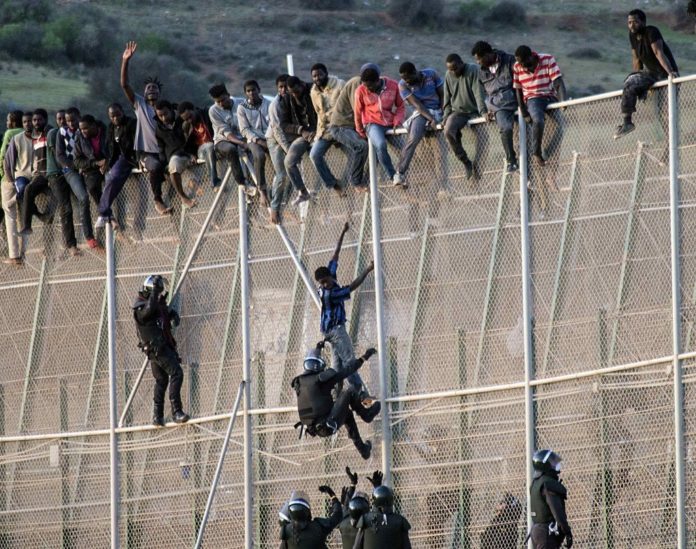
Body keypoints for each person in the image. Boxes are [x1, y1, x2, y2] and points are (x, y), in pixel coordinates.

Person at [315, 222, 374, 398]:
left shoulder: (331, 276)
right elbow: (352, 286)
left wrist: (343, 231)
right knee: (350, 361)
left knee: (337, 367)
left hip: (329, 332)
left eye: (326, 280)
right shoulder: (329, 293)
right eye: (323, 283)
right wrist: (368, 270)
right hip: (336, 331)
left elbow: (336, 255)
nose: (325, 284)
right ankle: (361, 394)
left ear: (329, 276)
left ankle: (334, 395)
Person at [291, 342, 379, 459]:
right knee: (350, 391)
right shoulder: (322, 380)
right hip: (327, 424)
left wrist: (317, 349)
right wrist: (364, 357)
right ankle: (367, 415)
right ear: (320, 365)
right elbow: (347, 370)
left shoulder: (299, 383)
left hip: (317, 428)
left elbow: (313, 362)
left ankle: (364, 450)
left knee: (347, 414)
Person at [120, 41, 172, 215]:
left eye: (155, 88)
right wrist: (125, 61)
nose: (151, 90)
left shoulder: (166, 109)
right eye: (148, 88)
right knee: (156, 167)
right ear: (144, 93)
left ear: (159, 92)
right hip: (146, 152)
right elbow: (124, 85)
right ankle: (157, 200)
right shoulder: (140, 105)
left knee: (177, 167)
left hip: (164, 151)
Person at [132, 274, 190, 426]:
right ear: (151, 292)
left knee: (162, 379)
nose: (159, 295)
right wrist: (154, 292)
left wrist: (172, 315)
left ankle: (157, 417)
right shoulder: (140, 308)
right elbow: (149, 310)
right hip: (157, 350)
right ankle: (176, 411)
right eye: (157, 292)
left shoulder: (154, 305)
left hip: (158, 349)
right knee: (177, 373)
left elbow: (160, 313)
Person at [614, 9, 678, 139]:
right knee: (630, 82)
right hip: (650, 73)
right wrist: (638, 81)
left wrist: (670, 73)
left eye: (635, 22)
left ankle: (673, 140)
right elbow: (636, 59)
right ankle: (627, 123)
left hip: (664, 73)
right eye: (629, 22)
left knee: (667, 112)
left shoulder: (651, 31)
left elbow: (658, 52)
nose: (632, 25)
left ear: (643, 22)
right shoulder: (632, 35)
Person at [513, 45, 567, 166]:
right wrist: (524, 112)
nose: (521, 65)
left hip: (550, 96)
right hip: (533, 99)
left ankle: (547, 153)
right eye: (519, 62)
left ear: (531, 56)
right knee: (538, 120)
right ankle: (536, 152)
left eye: (523, 62)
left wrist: (563, 101)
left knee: (559, 127)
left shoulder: (547, 59)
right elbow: (518, 90)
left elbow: (558, 82)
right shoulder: (516, 67)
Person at [472, 41, 519, 173]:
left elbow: (520, 81)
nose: (478, 62)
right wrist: (484, 111)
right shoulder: (481, 72)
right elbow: (479, 93)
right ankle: (511, 160)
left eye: (479, 59)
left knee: (526, 140)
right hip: (498, 106)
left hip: (516, 100)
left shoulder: (510, 60)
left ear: (488, 54)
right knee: (505, 128)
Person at [395, 62, 444, 187]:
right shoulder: (402, 85)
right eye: (403, 78)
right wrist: (431, 118)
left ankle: (443, 184)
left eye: (408, 77)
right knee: (413, 138)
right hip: (422, 113)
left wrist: (444, 113)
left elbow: (443, 95)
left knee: (441, 151)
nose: (406, 81)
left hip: (439, 110)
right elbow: (417, 105)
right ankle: (400, 172)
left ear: (415, 72)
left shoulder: (431, 74)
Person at [354, 64, 404, 184]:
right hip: (372, 123)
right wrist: (360, 130)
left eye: (370, 86)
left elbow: (401, 106)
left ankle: (403, 173)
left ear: (378, 81)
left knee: (404, 149)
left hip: (390, 122)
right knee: (381, 145)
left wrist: (397, 121)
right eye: (365, 85)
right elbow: (357, 112)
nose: (367, 88)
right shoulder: (360, 90)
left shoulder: (393, 85)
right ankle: (392, 176)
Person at [443, 53, 487, 180]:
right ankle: (466, 162)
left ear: (462, 62)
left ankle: (477, 168)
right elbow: (447, 97)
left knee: (483, 139)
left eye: (455, 68)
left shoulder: (472, 69)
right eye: (450, 69)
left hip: (475, 111)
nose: (453, 71)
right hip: (459, 111)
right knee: (448, 130)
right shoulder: (448, 75)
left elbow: (478, 91)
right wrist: (445, 115)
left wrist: (483, 111)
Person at [96, 103, 138, 228]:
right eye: (112, 116)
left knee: (113, 177)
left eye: (117, 115)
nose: (115, 118)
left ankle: (103, 212)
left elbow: (136, 142)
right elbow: (109, 147)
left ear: (122, 112)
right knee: (109, 179)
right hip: (116, 160)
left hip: (128, 157)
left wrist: (139, 157)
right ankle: (105, 214)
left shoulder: (131, 123)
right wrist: (107, 162)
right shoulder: (110, 127)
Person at [279, 76, 318, 206]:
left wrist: (317, 130)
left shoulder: (314, 90)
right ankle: (302, 192)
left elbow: (323, 110)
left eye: (297, 91)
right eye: (292, 92)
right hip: (303, 135)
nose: (295, 94)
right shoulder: (286, 99)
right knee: (288, 162)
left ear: (302, 84)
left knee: (317, 156)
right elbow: (283, 125)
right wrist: (301, 130)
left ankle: (338, 184)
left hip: (320, 131)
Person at [326, 74, 369, 191]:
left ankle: (367, 180)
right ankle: (355, 181)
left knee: (374, 146)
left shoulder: (371, 86)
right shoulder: (357, 83)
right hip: (341, 126)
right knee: (362, 146)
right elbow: (357, 110)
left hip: (352, 126)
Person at [308, 63, 346, 194]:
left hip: (342, 127)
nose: (317, 78)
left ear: (326, 74)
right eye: (314, 76)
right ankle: (333, 183)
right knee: (314, 155)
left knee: (355, 152)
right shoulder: (313, 91)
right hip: (325, 130)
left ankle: (352, 181)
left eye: (319, 75)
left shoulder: (340, 84)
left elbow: (346, 107)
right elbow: (318, 112)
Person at [1, 113, 34, 265]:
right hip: (28, 178)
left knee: (10, 216)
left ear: (14, 122)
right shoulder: (34, 135)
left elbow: (3, 157)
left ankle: (14, 256)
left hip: (11, 179)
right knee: (24, 218)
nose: (7, 123)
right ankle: (24, 252)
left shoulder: (11, 134)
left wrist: (6, 177)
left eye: (8, 120)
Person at [46, 114, 80, 256]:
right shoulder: (54, 133)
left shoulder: (70, 133)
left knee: (80, 203)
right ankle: (70, 244)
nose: (62, 122)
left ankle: (76, 239)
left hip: (68, 172)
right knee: (66, 208)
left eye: (64, 120)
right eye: (59, 119)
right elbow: (57, 155)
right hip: (57, 175)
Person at [154, 100, 197, 208]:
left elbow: (192, 137)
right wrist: (164, 165)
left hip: (192, 155)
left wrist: (192, 153)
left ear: (171, 110)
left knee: (199, 187)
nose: (163, 118)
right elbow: (161, 149)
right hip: (176, 158)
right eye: (160, 116)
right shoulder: (159, 129)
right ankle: (183, 197)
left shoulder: (183, 119)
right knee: (173, 164)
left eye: (165, 114)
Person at [208, 83, 251, 191]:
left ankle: (257, 183)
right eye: (218, 102)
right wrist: (242, 143)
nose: (221, 103)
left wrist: (247, 140)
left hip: (244, 137)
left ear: (228, 95)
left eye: (223, 100)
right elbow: (227, 133)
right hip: (223, 141)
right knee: (231, 149)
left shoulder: (242, 103)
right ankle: (242, 183)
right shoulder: (213, 111)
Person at [19, 109, 53, 238]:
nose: (36, 122)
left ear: (45, 120)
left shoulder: (50, 132)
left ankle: (46, 217)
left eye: (39, 119)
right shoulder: (35, 138)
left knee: (54, 195)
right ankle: (27, 226)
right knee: (27, 190)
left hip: (51, 173)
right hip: (40, 174)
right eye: (34, 120)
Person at [237, 80, 271, 204]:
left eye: (253, 90)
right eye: (248, 91)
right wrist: (259, 141)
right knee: (259, 156)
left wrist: (269, 138)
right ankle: (262, 191)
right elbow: (244, 129)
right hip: (253, 139)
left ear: (259, 90)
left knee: (279, 159)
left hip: (270, 137)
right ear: (245, 93)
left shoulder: (268, 103)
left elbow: (273, 123)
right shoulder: (242, 108)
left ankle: (277, 190)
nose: (251, 93)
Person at [530, 449, 573, 549]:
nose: (555, 465)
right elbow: (557, 511)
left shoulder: (535, 483)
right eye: (552, 463)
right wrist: (567, 531)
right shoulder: (547, 484)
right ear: (545, 465)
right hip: (546, 533)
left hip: (537, 531)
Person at [267, 74, 292, 224]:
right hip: (275, 140)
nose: (283, 90)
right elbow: (277, 131)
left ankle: (285, 203)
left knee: (294, 172)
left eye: (285, 87)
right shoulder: (274, 105)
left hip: (290, 138)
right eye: (280, 87)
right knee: (281, 174)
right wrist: (289, 150)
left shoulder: (294, 99)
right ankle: (275, 207)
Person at [338, 467, 383, 549]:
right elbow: (378, 508)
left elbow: (346, 508)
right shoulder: (370, 522)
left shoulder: (343, 523)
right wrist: (377, 488)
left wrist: (352, 484)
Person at [177, 101, 218, 189]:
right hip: (201, 150)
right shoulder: (186, 126)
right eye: (186, 119)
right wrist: (191, 155)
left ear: (194, 109)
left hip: (216, 146)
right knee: (209, 146)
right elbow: (186, 146)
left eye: (190, 116)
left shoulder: (207, 114)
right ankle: (213, 181)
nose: (189, 120)